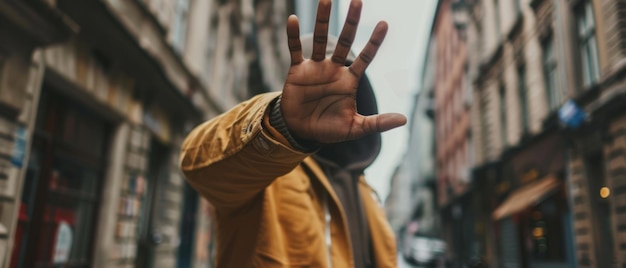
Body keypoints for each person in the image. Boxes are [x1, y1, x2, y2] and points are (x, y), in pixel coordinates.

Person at [180, 0, 407, 267]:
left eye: (345, 85)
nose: (331, 97)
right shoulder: (265, 176)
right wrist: (282, 121)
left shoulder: (367, 194)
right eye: (319, 87)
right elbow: (198, 165)